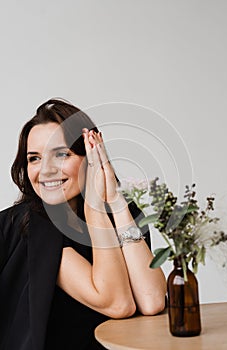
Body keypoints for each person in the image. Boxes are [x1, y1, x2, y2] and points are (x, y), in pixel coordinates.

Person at [0, 98, 166, 350]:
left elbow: (152, 301)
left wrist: (115, 202)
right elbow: (118, 304)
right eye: (34, 158)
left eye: (61, 154)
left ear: (90, 157)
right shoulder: (32, 224)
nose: (45, 170)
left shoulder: (124, 212)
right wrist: (95, 206)